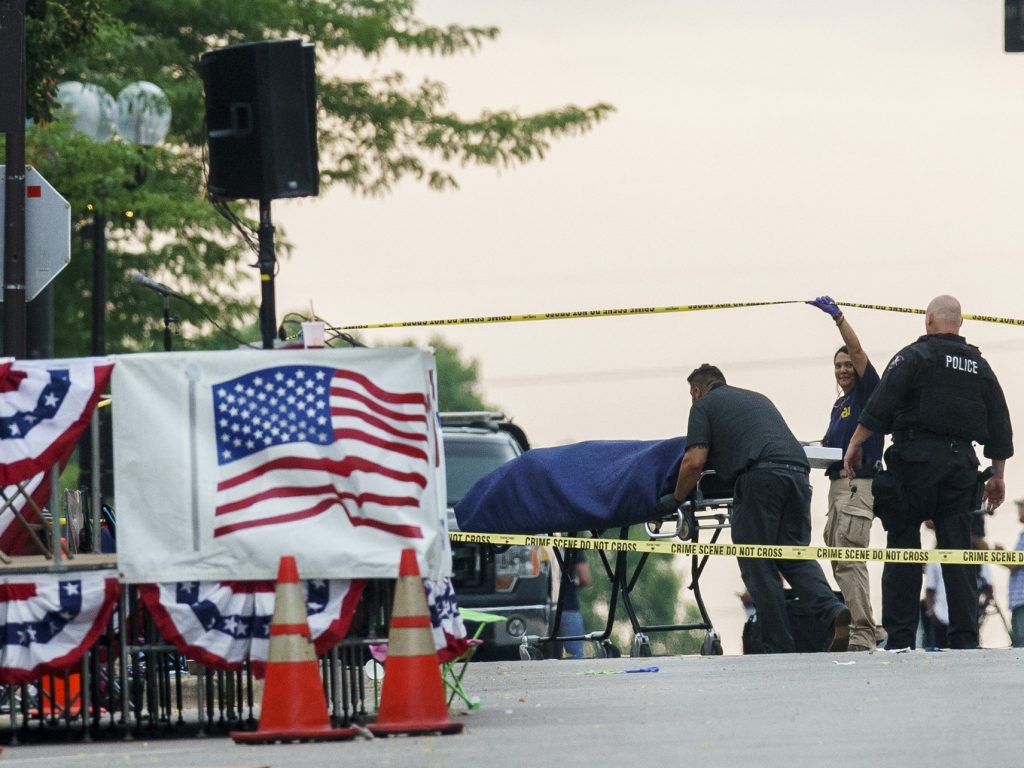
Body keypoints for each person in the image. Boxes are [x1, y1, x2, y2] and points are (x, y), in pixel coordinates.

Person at [843, 295, 1013, 650]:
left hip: (913, 462)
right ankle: (965, 640)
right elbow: (1000, 422)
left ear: (929, 319)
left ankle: (901, 638)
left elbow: (880, 402)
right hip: (960, 468)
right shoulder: (979, 366)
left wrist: (856, 442)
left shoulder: (914, 356)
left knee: (903, 548)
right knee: (957, 552)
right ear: (960, 324)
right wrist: (997, 474)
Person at [665, 363, 851, 654]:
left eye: (692, 394)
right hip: (799, 474)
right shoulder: (756, 398)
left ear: (698, 391)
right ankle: (833, 611)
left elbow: (694, 460)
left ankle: (778, 645)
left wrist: (676, 497)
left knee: (756, 561)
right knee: (794, 555)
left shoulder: (703, 406)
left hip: (761, 477)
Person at [809, 295, 884, 652]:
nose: (844, 370)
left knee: (852, 560)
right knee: (841, 561)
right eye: (838, 365)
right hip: (836, 486)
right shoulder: (840, 404)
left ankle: (863, 633)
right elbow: (827, 443)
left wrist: (838, 317)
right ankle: (870, 626)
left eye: (848, 365)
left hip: (857, 486)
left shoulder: (869, 393)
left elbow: (857, 350)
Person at [994, 497, 1024, 648]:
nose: (1019, 511)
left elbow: (1014, 564)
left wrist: (996, 554)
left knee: (1020, 644)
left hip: (1022, 600)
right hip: (1020, 600)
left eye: (1022, 507)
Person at [559, 548, 592, 659]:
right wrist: (573, 584)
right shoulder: (573, 544)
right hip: (568, 606)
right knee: (575, 655)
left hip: (542, 606)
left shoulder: (539, 543)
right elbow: (585, 578)